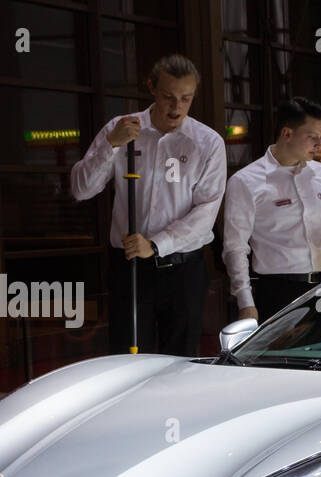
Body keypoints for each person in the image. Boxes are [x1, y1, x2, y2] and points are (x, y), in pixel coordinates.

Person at [70, 53, 224, 356]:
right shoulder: (120, 128)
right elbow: (81, 189)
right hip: (129, 269)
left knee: (181, 363)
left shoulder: (208, 143)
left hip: (183, 270)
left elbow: (206, 213)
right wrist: (110, 145)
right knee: (128, 360)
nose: (176, 107)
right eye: (168, 97)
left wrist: (155, 244)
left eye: (185, 98)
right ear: (151, 87)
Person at [222, 97, 321, 322]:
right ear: (287, 134)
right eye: (312, 137)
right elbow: (235, 248)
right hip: (277, 289)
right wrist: (245, 301)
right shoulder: (246, 181)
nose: (320, 146)